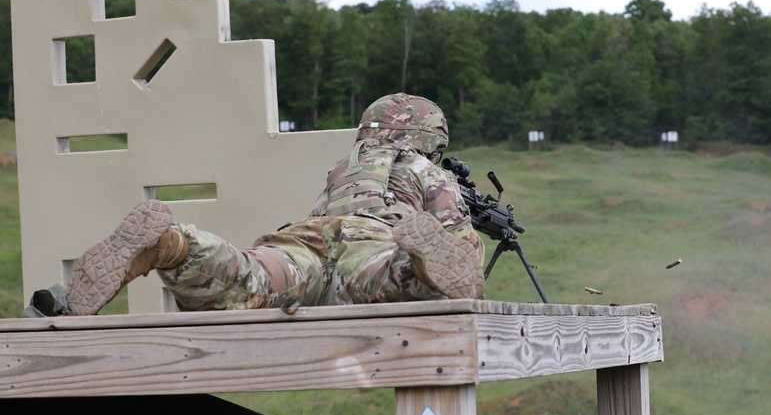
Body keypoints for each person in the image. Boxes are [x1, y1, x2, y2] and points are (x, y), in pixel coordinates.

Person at [65, 93, 486, 315]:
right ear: (430, 139)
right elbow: (461, 245)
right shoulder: (423, 168)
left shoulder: (344, 167)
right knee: (394, 284)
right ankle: (419, 265)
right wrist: (453, 253)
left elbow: (332, 217)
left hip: (305, 239)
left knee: (248, 281)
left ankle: (172, 247)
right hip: (375, 244)